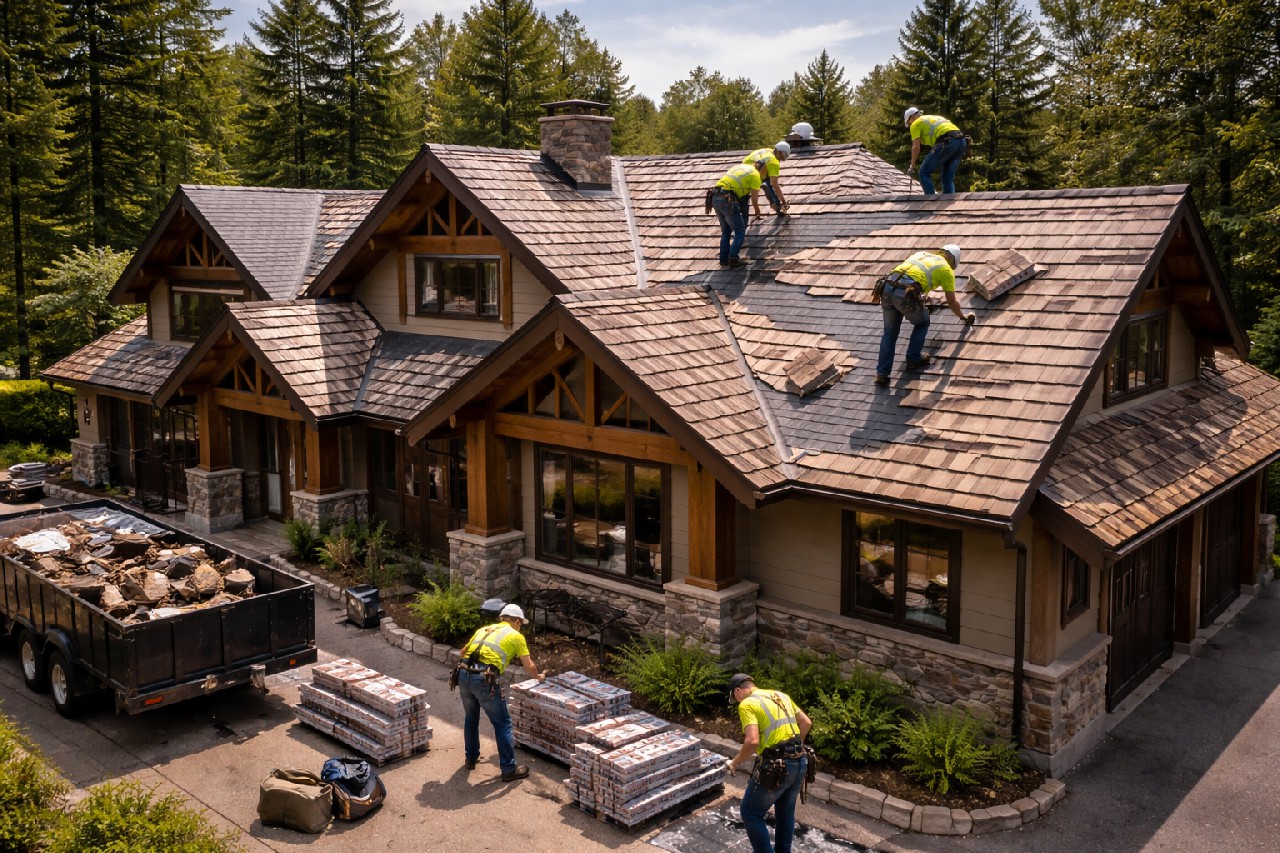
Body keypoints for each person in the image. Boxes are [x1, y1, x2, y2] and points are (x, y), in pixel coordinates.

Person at [727, 673, 812, 853]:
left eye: (735, 698)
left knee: (750, 813)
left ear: (738, 691)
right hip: (800, 761)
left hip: (776, 767)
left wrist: (735, 762)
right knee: (785, 813)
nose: (737, 702)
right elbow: (806, 723)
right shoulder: (780, 696)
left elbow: (752, 741)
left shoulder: (747, 704)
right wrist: (794, 749)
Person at [456, 603, 543, 781]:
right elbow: (529, 666)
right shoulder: (516, 636)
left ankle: (470, 759)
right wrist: (538, 677)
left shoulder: (484, 629)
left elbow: (462, 652)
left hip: (463, 674)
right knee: (503, 723)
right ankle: (509, 769)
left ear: (502, 618)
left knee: (471, 717)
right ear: (517, 621)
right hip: (484, 678)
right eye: (521, 624)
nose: (520, 627)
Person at [875, 244, 975, 386]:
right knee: (922, 322)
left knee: (890, 333)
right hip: (904, 293)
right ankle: (913, 358)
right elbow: (952, 301)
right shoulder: (946, 269)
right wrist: (962, 316)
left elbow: (912, 276)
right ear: (952, 260)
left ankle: (882, 373)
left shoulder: (921, 254)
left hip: (886, 287)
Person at [709, 160, 767, 268]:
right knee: (740, 230)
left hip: (715, 197)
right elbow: (754, 200)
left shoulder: (740, 167)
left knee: (726, 231)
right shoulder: (755, 175)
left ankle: (724, 259)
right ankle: (733, 257)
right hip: (727, 199)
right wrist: (757, 212)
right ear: (762, 169)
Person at [904, 107, 968, 195]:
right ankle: (948, 200)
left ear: (911, 117)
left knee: (923, 173)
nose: (910, 125)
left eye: (909, 122)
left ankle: (931, 201)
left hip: (947, 142)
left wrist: (912, 165)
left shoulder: (915, 124)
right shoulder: (933, 118)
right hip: (961, 142)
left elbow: (915, 147)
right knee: (947, 178)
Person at [742, 141, 791, 223]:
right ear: (779, 152)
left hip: (741, 171)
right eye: (783, 157)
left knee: (765, 178)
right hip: (752, 175)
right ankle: (776, 205)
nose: (782, 160)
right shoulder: (773, 161)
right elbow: (775, 184)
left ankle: (769, 197)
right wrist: (783, 201)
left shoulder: (768, 151)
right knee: (769, 183)